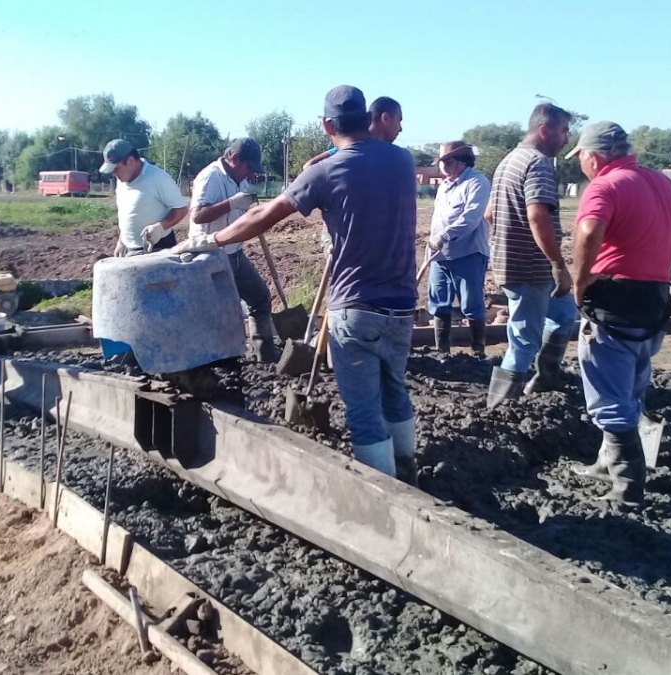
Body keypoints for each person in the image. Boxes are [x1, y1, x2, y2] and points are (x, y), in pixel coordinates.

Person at [176, 85, 420, 485]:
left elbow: (268, 213)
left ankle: (390, 497)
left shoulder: (325, 171)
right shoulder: (402, 161)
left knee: (362, 409)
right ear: (370, 119)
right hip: (402, 306)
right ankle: (407, 465)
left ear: (326, 124)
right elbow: (359, 156)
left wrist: (213, 239)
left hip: (356, 308)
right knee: (394, 389)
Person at [566, 122, 671, 506]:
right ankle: (608, 463)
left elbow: (589, 230)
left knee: (608, 391)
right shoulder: (661, 183)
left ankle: (628, 486)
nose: (582, 166)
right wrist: (649, 260)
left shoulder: (605, 186)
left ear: (594, 156)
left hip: (613, 301)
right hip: (653, 299)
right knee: (632, 385)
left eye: (582, 158)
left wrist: (580, 280)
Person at [485, 103, 577, 408]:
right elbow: (538, 216)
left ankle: (546, 378)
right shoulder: (537, 164)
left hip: (515, 264)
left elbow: (489, 214)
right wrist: (556, 263)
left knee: (564, 315)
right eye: (563, 131)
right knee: (524, 340)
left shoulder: (508, 161)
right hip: (530, 268)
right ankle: (499, 406)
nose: (566, 139)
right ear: (544, 130)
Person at [188, 138, 280, 362]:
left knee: (260, 297)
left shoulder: (241, 179)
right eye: (249, 168)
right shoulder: (211, 176)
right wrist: (231, 204)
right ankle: (221, 359)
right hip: (210, 256)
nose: (250, 174)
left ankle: (265, 353)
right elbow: (197, 215)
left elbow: (243, 211)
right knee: (224, 311)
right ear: (235, 159)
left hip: (235, 253)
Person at [426, 141, 491, 355]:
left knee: (471, 304)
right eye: (441, 162)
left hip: (468, 253)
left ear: (463, 160)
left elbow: (471, 218)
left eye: (449, 161)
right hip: (439, 255)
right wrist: (433, 242)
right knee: (439, 303)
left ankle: (478, 351)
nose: (443, 166)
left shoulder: (476, 182)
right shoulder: (444, 186)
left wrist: (444, 236)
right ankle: (442, 352)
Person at [98, 139, 189, 256]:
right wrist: (122, 241)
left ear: (130, 161)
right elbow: (127, 214)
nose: (114, 174)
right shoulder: (121, 181)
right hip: (130, 249)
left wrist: (161, 227)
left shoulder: (158, 178)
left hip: (159, 247)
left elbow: (181, 209)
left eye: (116, 169)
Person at [301, 96, 403, 171]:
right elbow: (309, 166)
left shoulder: (392, 155)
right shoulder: (353, 146)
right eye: (399, 120)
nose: (400, 128)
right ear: (385, 118)